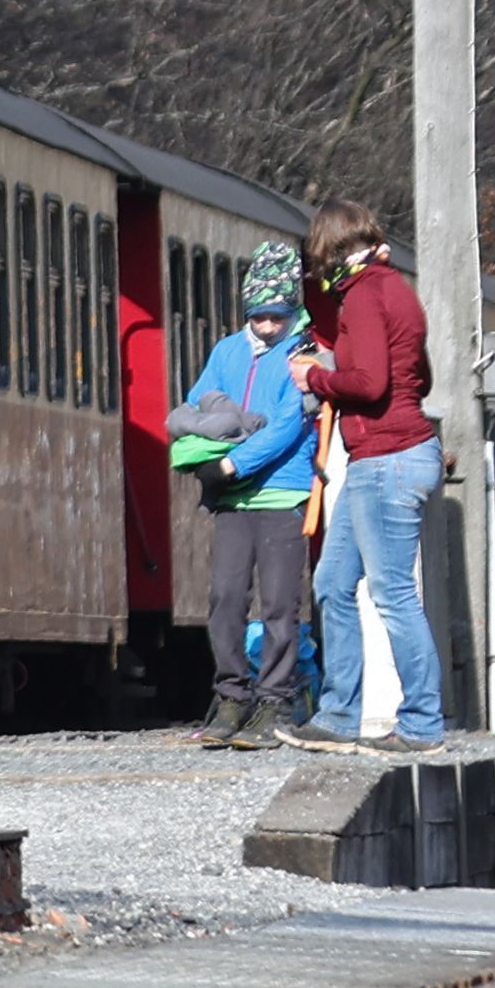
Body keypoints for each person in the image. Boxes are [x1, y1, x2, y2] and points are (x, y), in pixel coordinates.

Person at [288, 195, 447, 756]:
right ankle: (337, 715)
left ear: (330, 249)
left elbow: (371, 384)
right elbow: (418, 378)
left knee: (394, 594)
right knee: (332, 584)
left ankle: (423, 723)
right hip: (387, 457)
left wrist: (316, 378)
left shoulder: (359, 297)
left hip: (388, 459)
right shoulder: (398, 290)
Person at [174, 245, 320, 747]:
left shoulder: (305, 352)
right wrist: (218, 428)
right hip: (232, 501)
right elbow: (198, 401)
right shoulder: (226, 352)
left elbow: (288, 425)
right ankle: (232, 696)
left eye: (275, 316)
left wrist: (234, 461)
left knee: (281, 603)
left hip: (282, 493)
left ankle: (276, 699)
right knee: (225, 598)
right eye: (257, 316)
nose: (265, 326)